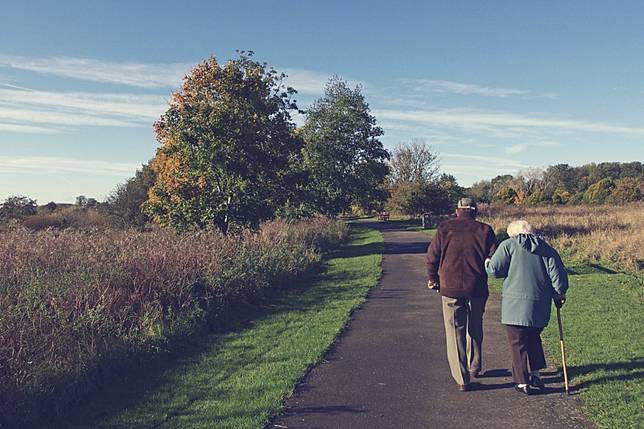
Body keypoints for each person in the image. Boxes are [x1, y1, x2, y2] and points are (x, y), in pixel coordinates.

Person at [485, 220, 568, 395]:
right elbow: (558, 277)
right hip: (539, 305)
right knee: (533, 338)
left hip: (514, 306)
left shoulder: (508, 245)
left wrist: (487, 262)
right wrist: (559, 294)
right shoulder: (546, 248)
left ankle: (522, 382)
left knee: (517, 343)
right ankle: (536, 375)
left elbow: (494, 270)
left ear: (513, 233)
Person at [426, 198, 497, 391]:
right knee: (475, 326)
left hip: (450, 287)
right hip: (477, 287)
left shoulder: (444, 228)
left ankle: (462, 379)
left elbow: (432, 256)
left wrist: (433, 278)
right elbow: (493, 259)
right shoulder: (485, 230)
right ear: (475, 211)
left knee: (454, 331)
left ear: (457, 210)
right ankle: (474, 366)